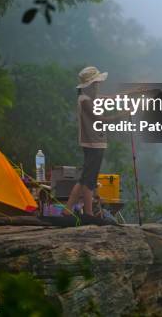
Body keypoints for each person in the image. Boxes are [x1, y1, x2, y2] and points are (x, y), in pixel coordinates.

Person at [65, 66, 109, 217]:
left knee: (85, 178)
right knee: (90, 180)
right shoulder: (85, 101)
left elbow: (107, 99)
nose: (98, 85)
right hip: (93, 143)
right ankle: (89, 213)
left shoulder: (88, 98)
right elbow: (100, 119)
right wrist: (124, 114)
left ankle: (67, 209)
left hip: (95, 142)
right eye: (95, 83)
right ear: (89, 85)